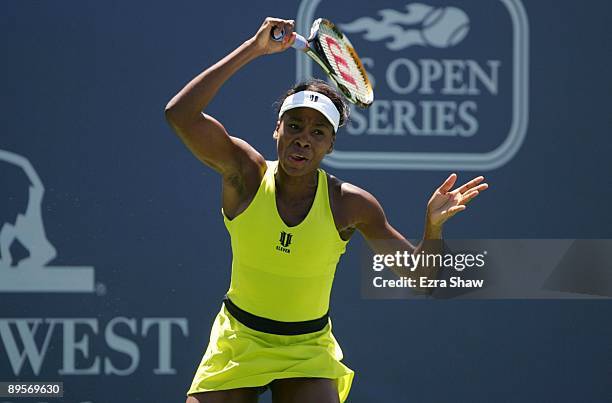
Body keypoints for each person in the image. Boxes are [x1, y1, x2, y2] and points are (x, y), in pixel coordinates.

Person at [165, 17, 488, 403]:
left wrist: (432, 228)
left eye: (318, 133)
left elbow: (421, 277)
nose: (303, 139)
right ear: (277, 130)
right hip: (237, 340)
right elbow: (179, 114)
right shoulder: (245, 174)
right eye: (295, 126)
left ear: (330, 145)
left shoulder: (349, 204)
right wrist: (254, 48)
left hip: (307, 349)